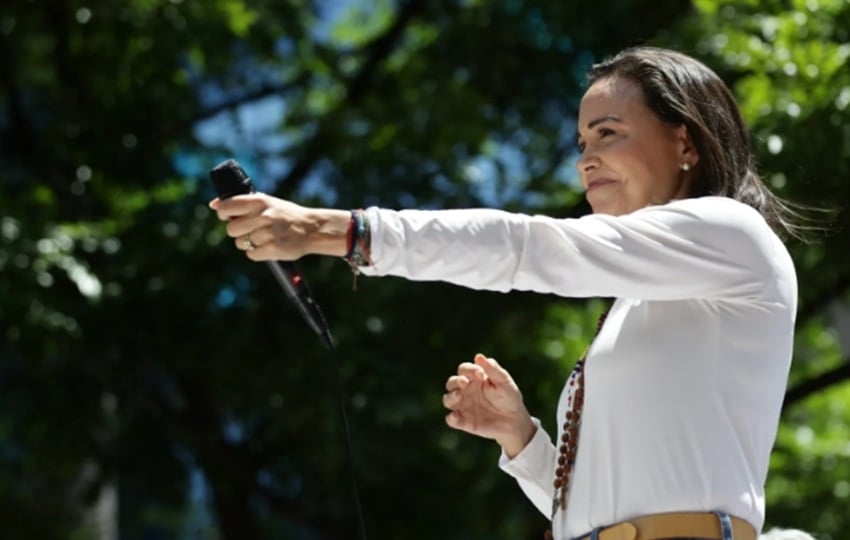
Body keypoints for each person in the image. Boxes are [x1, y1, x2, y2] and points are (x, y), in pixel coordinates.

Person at [210, 46, 800, 540]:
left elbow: (528, 248)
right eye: (580, 145)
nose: (586, 160)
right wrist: (520, 438)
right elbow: (592, 511)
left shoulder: (732, 232)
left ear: (686, 144)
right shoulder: (638, 303)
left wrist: (345, 230)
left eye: (608, 134)